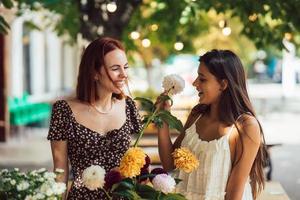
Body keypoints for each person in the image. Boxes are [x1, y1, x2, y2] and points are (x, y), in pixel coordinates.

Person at [157, 49, 266, 200]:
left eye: (202, 79)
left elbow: (234, 193)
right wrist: (163, 117)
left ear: (223, 84)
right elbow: (170, 165)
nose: (195, 83)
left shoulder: (246, 126)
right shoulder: (197, 114)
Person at [47, 37, 141, 199]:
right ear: (95, 73)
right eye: (115, 68)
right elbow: (60, 170)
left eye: (125, 67)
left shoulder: (129, 106)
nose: (123, 75)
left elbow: (136, 160)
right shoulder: (63, 110)